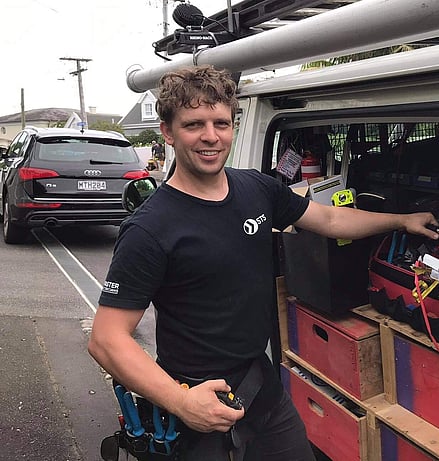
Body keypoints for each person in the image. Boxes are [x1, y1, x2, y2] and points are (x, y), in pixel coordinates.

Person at [88, 65, 439, 461]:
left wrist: (401, 220)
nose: (210, 136)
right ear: (167, 132)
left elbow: (330, 219)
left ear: (233, 126)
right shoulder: (149, 229)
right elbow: (106, 338)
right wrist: (180, 401)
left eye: (221, 123)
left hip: (264, 393)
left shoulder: (256, 188)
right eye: (194, 124)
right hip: (199, 403)